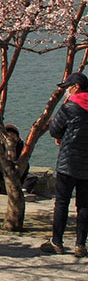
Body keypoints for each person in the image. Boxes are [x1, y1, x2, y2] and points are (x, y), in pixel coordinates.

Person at [41, 72, 88, 257]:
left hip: (68, 162)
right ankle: (80, 244)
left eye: (68, 87)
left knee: (62, 202)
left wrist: (61, 136)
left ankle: (57, 242)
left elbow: (54, 129)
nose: (66, 91)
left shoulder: (70, 107)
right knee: (84, 205)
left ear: (75, 87)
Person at [0, 124, 37, 194]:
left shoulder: (20, 145)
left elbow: (24, 160)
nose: (10, 137)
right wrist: (4, 168)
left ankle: (24, 190)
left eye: (13, 135)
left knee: (31, 177)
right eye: (8, 135)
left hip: (17, 172)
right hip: (2, 170)